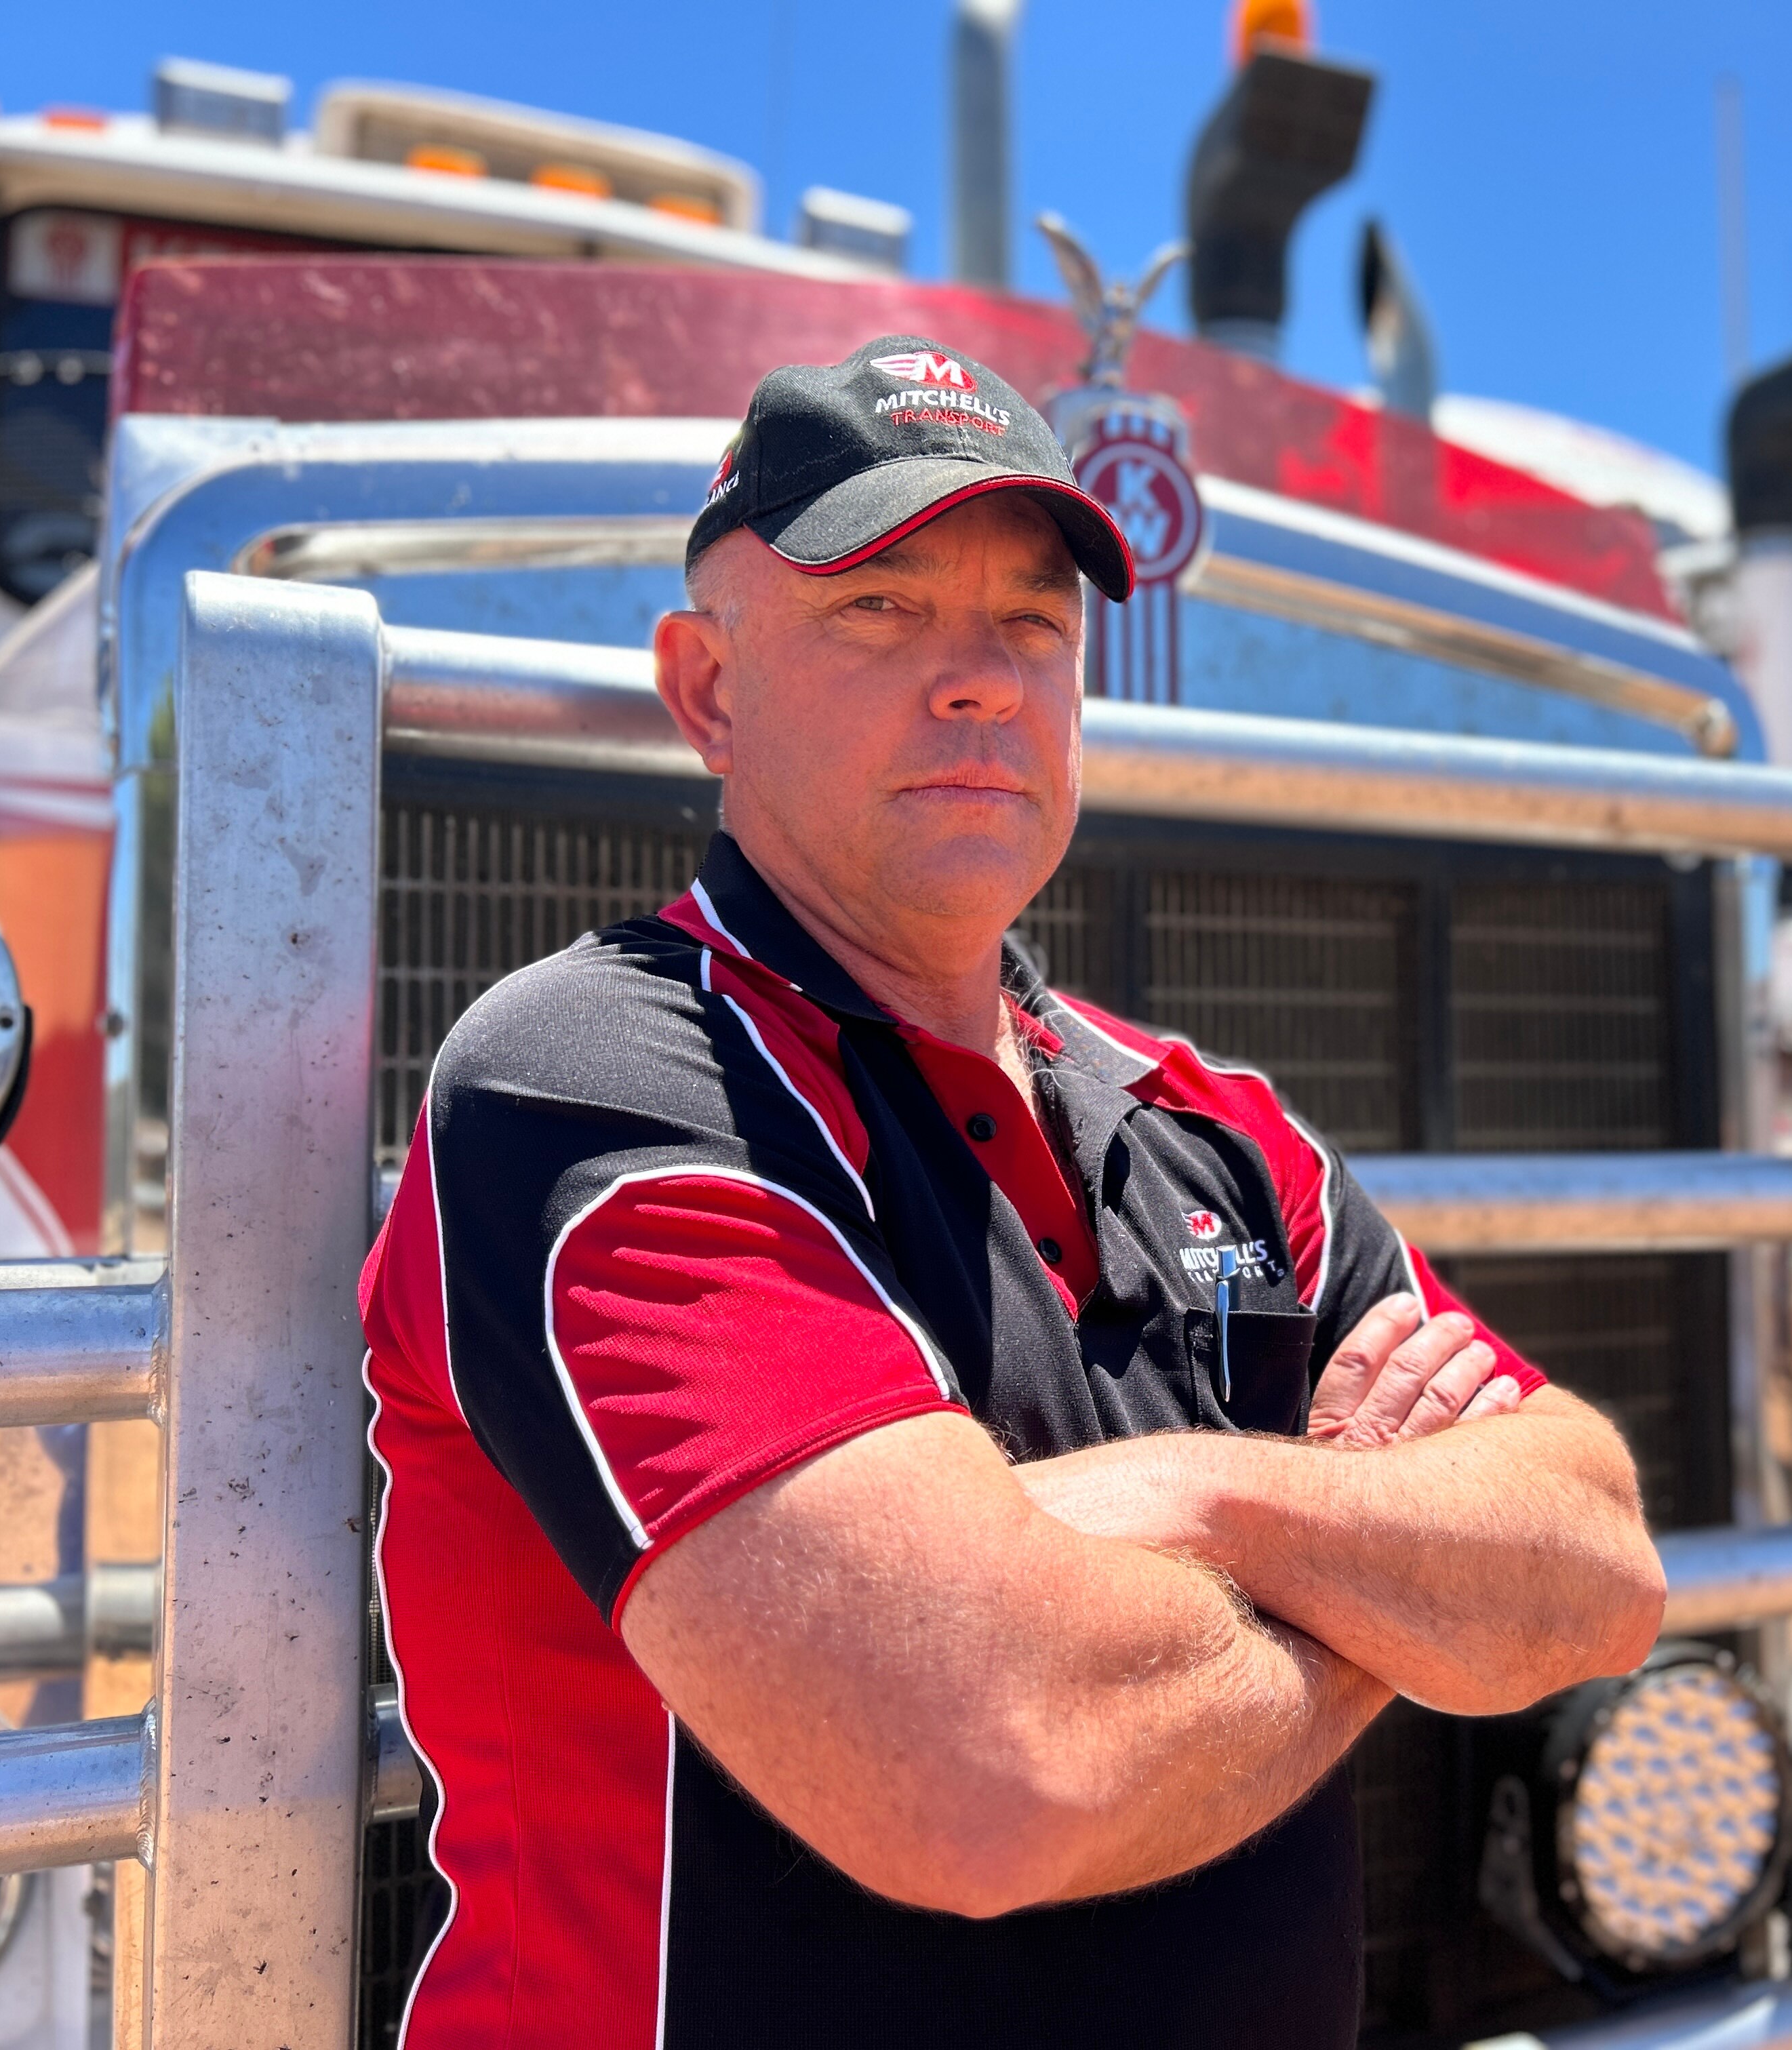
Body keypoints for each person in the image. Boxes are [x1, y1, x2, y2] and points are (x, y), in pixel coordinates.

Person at [359, 334, 1669, 2049]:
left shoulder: (1218, 1124)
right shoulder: (601, 1083)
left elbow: (1595, 1565)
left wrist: (1188, 1506)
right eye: (877, 608)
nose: (978, 678)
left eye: (1033, 624)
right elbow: (990, 1775)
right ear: (708, 690)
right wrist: (1390, 1595)